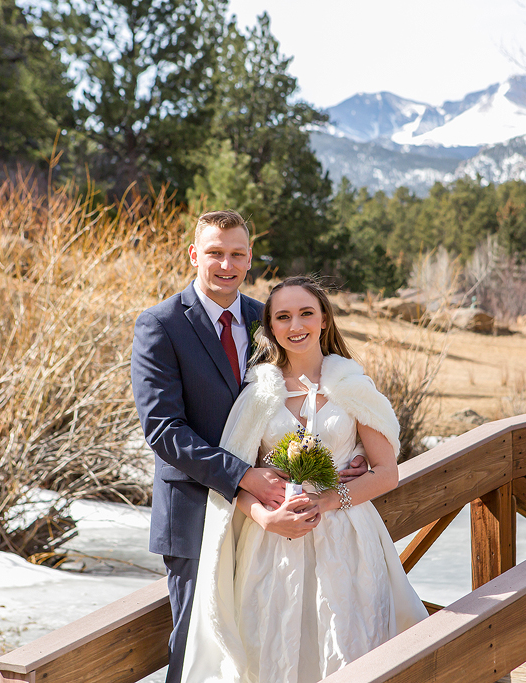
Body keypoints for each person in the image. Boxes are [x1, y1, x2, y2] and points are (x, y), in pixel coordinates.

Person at [131, 212, 366, 683]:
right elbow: (163, 430)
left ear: (250, 259)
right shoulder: (160, 324)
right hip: (196, 512)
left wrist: (348, 449)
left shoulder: (268, 318)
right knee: (201, 649)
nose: (226, 264)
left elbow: (306, 391)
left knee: (264, 644)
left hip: (275, 512)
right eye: (215, 252)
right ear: (194, 255)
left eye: (237, 254)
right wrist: (244, 476)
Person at [183, 276, 428, 683]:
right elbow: (232, 483)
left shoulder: (353, 387)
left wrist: (330, 500)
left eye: (306, 313)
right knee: (272, 648)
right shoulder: (257, 395)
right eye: (283, 317)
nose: (296, 325)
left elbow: (387, 473)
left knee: (347, 645)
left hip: (347, 539)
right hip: (273, 545)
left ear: (325, 320)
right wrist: (264, 517)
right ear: (271, 328)